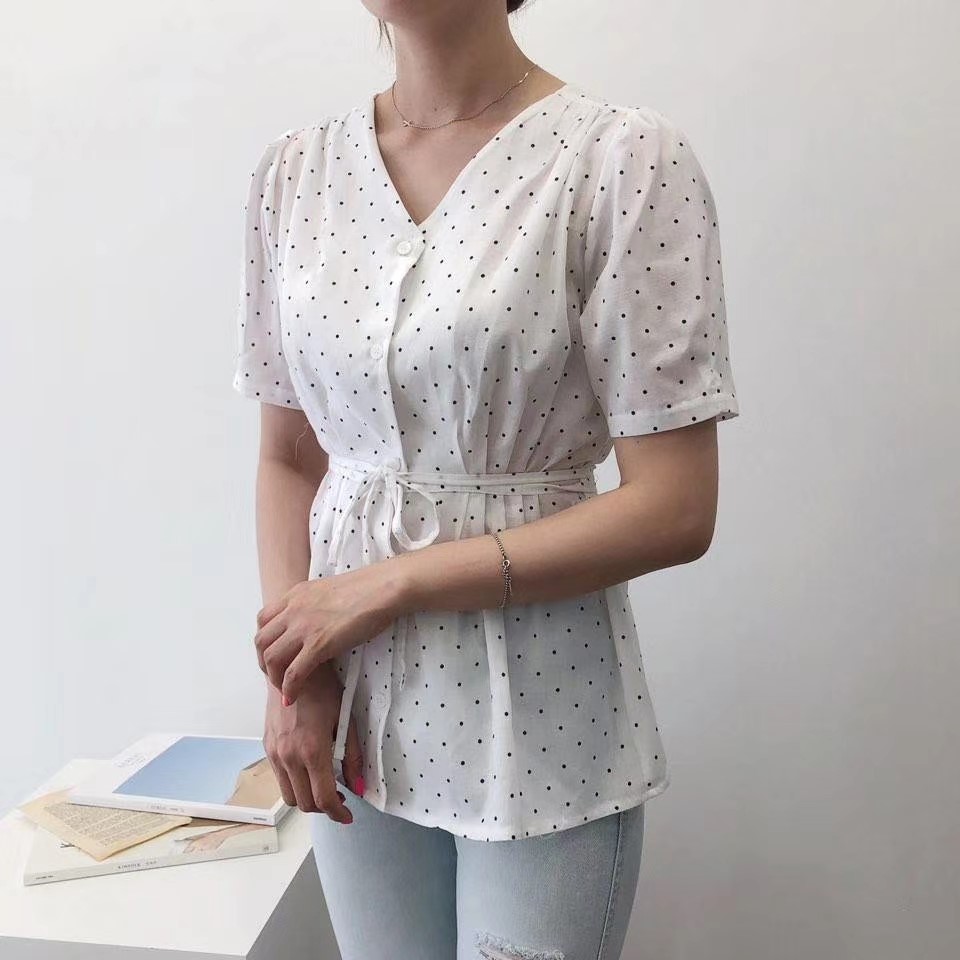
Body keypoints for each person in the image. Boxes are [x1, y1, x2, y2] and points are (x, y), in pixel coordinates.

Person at [232, 1, 740, 957]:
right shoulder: (294, 174)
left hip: (542, 717)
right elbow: (288, 456)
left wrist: (390, 583)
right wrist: (294, 677)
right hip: (348, 709)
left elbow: (675, 507)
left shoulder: (622, 161)